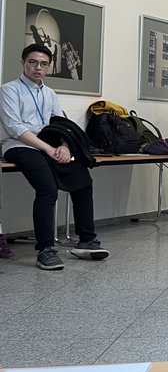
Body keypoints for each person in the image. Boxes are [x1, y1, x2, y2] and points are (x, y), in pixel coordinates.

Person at [0, 44, 110, 270]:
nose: (37, 68)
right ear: (23, 63)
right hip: (19, 145)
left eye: (43, 64)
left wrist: (65, 147)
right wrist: (49, 150)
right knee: (47, 188)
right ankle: (45, 249)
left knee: (83, 181)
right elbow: (15, 128)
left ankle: (87, 240)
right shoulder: (9, 90)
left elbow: (61, 124)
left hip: (49, 146)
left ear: (49, 67)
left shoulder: (49, 93)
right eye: (32, 62)